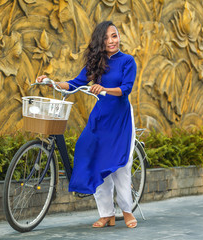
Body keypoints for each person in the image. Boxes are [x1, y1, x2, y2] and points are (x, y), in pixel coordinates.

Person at [36, 21, 137, 228]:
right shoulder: (96, 63)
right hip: (100, 116)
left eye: (115, 36)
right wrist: (51, 82)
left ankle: (127, 211)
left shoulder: (128, 61)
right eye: (107, 37)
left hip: (120, 117)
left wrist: (105, 89)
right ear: (100, 41)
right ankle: (106, 214)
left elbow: (125, 89)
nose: (111, 41)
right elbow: (74, 83)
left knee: (120, 166)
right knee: (92, 158)